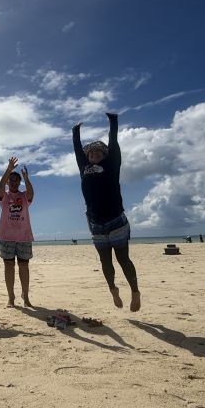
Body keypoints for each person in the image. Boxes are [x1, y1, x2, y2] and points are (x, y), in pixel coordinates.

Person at [73, 113, 141, 312]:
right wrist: (75, 131)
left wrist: (113, 122)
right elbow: (78, 151)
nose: (93, 152)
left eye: (98, 151)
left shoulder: (111, 166)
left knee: (123, 259)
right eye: (91, 152)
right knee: (105, 261)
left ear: (105, 155)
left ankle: (135, 292)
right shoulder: (84, 168)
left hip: (115, 220)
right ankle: (113, 289)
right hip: (96, 223)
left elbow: (113, 143)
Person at [0, 157, 34, 307]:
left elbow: (31, 193)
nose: (13, 182)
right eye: (10, 180)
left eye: (15, 180)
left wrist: (27, 178)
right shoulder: (4, 197)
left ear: (19, 183)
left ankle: (25, 297)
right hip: (6, 236)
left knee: (24, 266)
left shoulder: (24, 196)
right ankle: (11, 297)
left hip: (24, 236)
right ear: (7, 182)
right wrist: (8, 170)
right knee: (9, 266)